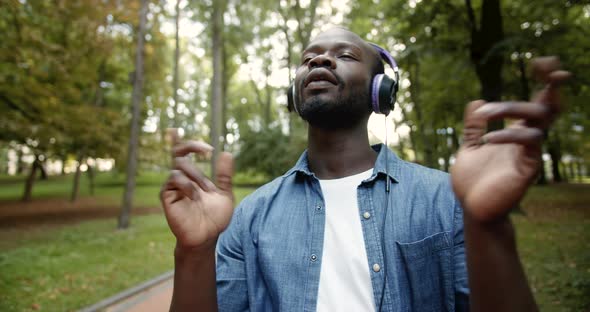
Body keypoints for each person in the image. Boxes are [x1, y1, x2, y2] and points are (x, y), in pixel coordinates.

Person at [160, 28, 570, 311]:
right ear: (294, 92)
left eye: (345, 55)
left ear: (381, 92)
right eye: (309, 58)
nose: (320, 58)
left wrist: (490, 226)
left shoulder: (445, 198)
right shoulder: (250, 216)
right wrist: (194, 252)